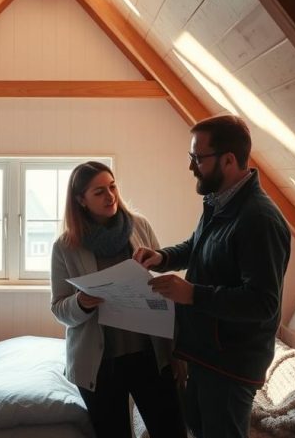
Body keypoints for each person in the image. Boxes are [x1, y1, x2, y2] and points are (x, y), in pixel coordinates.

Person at [135, 115, 291, 438]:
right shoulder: (219, 201)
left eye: (197, 158)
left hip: (231, 365)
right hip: (205, 353)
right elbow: (197, 246)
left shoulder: (258, 219)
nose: (191, 166)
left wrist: (192, 294)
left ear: (229, 160)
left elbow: (262, 303)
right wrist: (162, 257)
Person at [50, 161, 186, 438]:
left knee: (171, 430)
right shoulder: (65, 246)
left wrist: (177, 351)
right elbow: (58, 308)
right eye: (99, 192)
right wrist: (81, 302)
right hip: (99, 364)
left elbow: (159, 284)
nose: (110, 196)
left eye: (112, 187)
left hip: (150, 354)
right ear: (81, 200)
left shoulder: (139, 226)